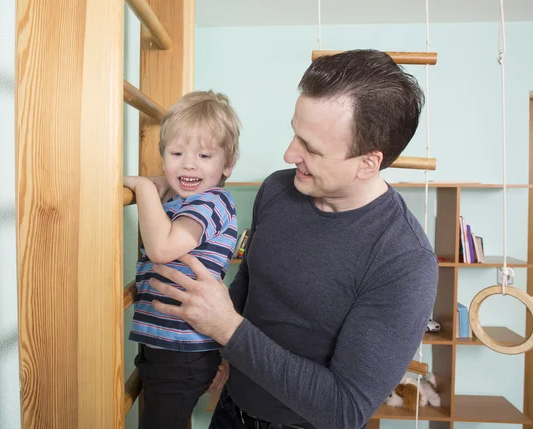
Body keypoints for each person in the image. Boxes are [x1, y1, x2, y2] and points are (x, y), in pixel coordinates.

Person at [147, 50, 439, 429]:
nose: (288, 153)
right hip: (229, 411)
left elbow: (345, 409)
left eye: (311, 148)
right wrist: (216, 352)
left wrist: (228, 330)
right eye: (295, 133)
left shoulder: (405, 261)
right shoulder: (278, 190)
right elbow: (251, 280)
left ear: (368, 162)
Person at [124, 90, 241, 429]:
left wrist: (145, 188)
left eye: (204, 155)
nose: (189, 164)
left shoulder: (212, 202)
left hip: (182, 354)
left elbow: (161, 248)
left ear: (227, 164)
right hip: (167, 347)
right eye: (177, 153)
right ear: (164, 157)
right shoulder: (182, 202)